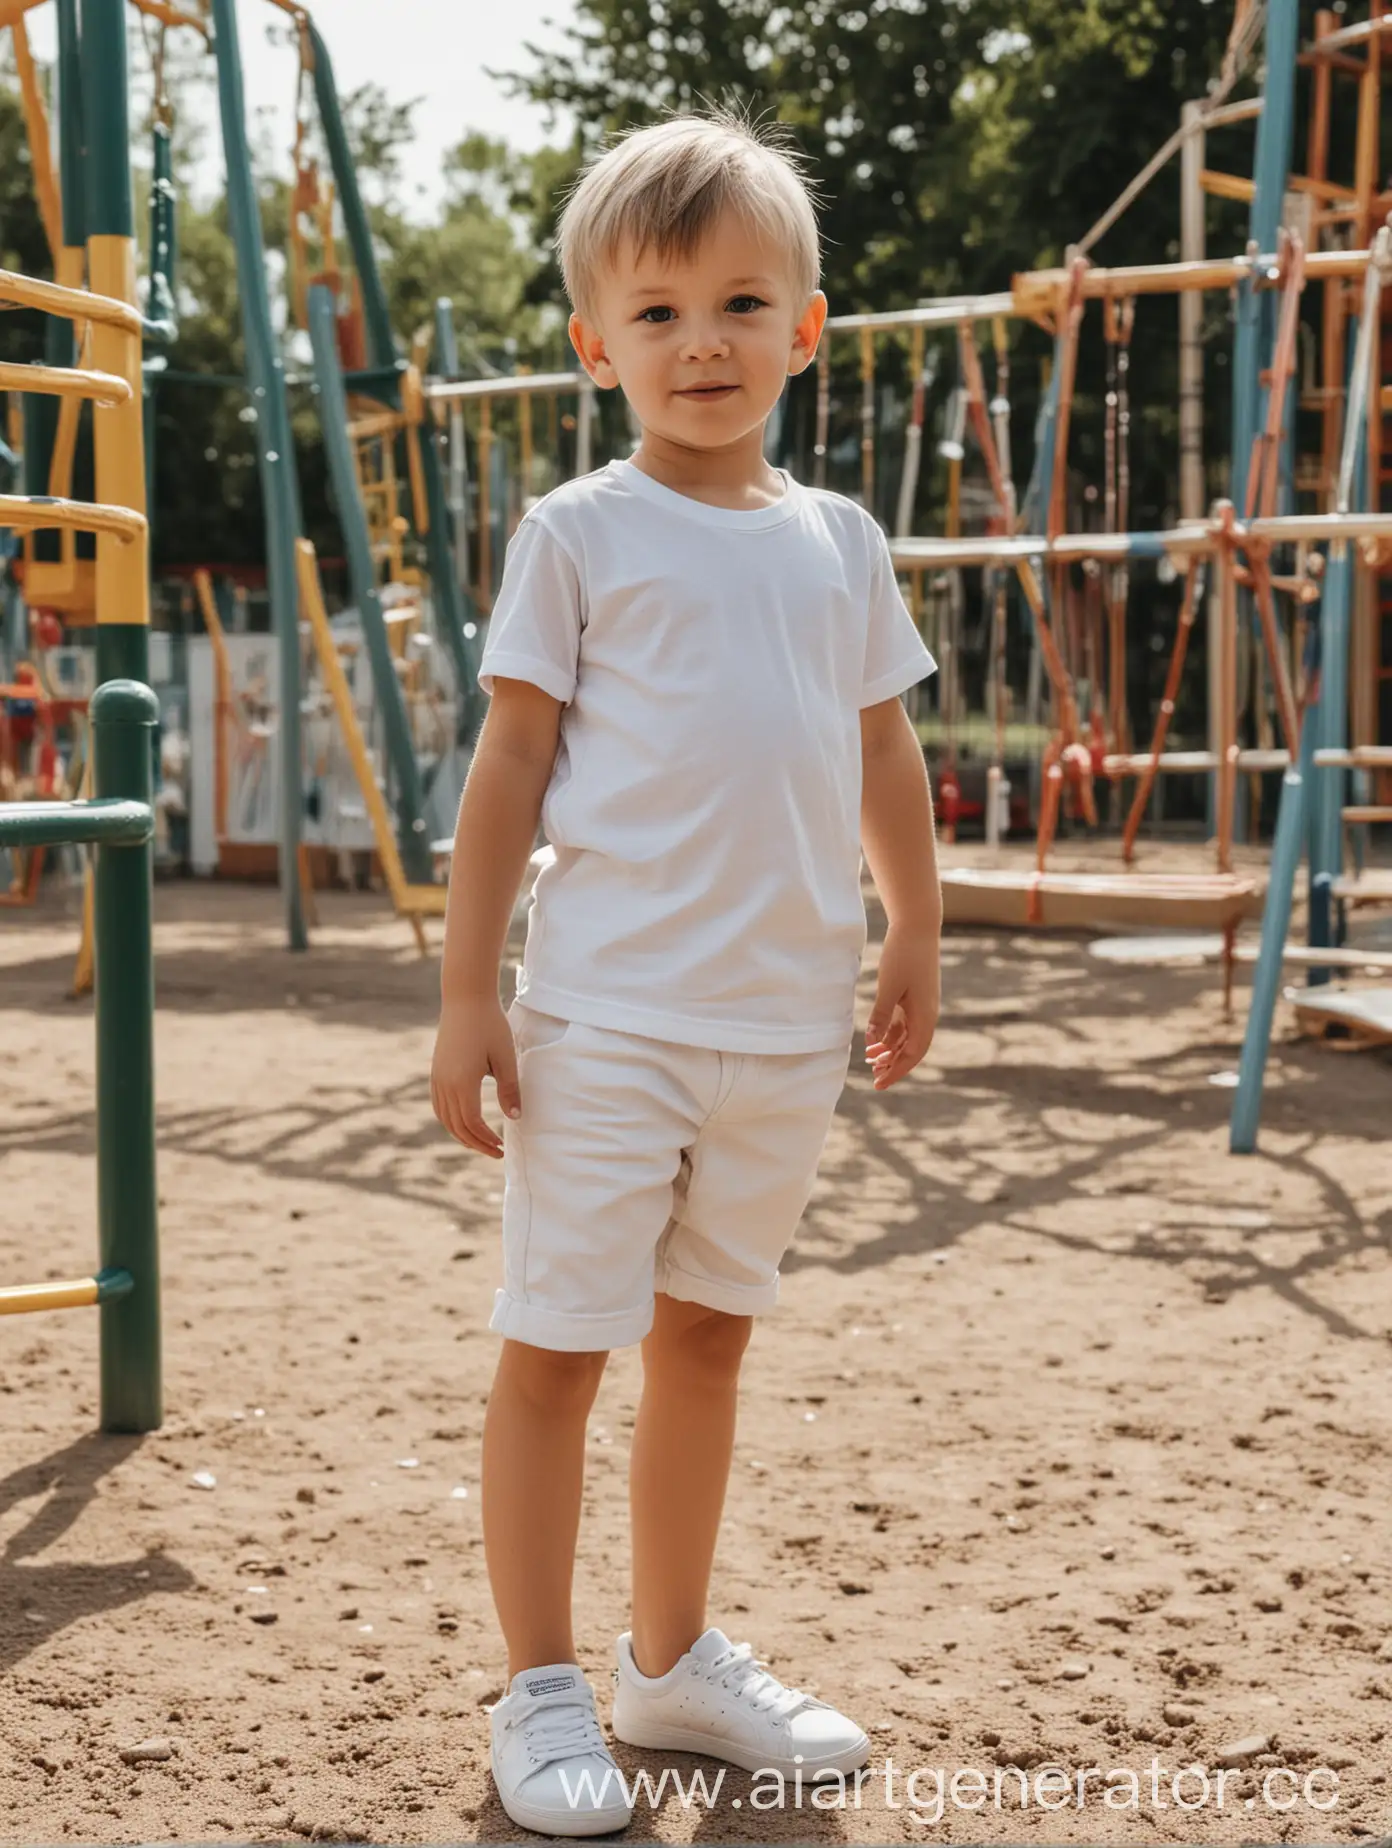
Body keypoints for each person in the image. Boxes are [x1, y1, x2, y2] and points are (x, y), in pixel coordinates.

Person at [430, 104, 942, 1838]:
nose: (700, 341)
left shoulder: (843, 544)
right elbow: (508, 771)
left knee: (709, 1342)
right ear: (594, 348)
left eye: (739, 304)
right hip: (605, 1021)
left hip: (783, 1025)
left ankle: (668, 1658)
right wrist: (465, 990)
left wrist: (916, 926)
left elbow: (882, 759)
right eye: (656, 313)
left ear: (807, 326)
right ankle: (543, 1687)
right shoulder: (579, 533)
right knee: (558, 1350)